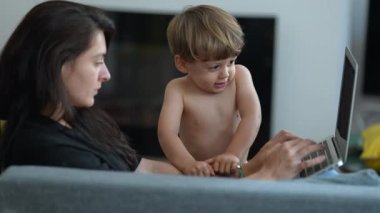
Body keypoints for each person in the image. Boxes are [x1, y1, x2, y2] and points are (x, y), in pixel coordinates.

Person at [0, 0, 326, 180]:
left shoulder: (76, 122)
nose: (108, 74)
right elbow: (158, 204)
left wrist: (250, 167)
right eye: (98, 61)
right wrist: (269, 179)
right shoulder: (48, 151)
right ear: (59, 64)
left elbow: (145, 169)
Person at [158, 5, 261, 176]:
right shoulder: (177, 89)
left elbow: (252, 116)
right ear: (182, 64)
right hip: (196, 174)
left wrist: (232, 154)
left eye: (231, 62)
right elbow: (167, 134)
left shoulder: (240, 76)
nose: (226, 73)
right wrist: (188, 164)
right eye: (214, 67)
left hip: (235, 171)